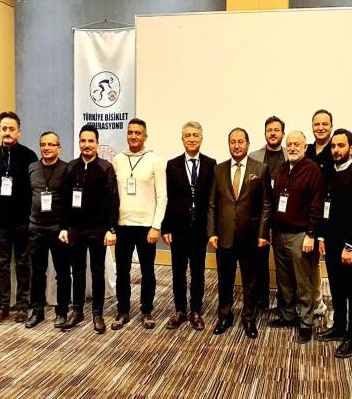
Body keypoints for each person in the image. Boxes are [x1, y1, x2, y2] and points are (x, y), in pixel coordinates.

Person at [207, 127, 271, 339]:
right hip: (224, 236)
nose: (236, 145)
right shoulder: (219, 169)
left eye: (240, 141)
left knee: (250, 281)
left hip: (250, 236)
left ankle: (249, 318)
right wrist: (211, 232)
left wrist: (263, 234)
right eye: (232, 142)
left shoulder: (260, 169)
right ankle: (224, 316)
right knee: (224, 279)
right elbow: (212, 205)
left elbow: (266, 204)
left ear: (248, 144)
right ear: (229, 144)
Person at [0, 111, 38, 325]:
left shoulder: (29, 156)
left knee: (23, 263)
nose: (7, 132)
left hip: (23, 221)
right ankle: (2, 306)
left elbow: (35, 191)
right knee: (2, 265)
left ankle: (22, 305)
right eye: (4, 129)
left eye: (12, 129)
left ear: (19, 132)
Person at [58, 124, 119, 334]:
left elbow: (113, 200)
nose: (87, 145)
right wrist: (64, 227)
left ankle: (97, 313)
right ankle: (77, 311)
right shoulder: (70, 168)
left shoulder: (105, 168)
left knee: (97, 271)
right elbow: (64, 200)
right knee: (77, 272)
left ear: (97, 144)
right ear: (79, 143)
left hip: (98, 230)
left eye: (91, 141)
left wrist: (111, 229)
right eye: (83, 141)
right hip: (75, 229)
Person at [316, 129, 352, 359]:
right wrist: (321, 237)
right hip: (330, 242)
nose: (336, 150)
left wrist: (350, 247)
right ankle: (338, 327)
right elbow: (324, 207)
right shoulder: (329, 173)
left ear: (351, 148)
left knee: (351, 290)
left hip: (349, 246)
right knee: (336, 287)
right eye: (333, 146)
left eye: (341, 146)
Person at [111, 118, 167, 331]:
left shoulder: (155, 160)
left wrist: (156, 226)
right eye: (130, 132)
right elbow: (113, 195)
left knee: (147, 271)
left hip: (146, 227)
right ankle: (122, 310)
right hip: (123, 224)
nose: (133, 136)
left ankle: (146, 310)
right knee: (122, 271)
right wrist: (112, 226)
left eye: (138, 133)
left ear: (145, 136)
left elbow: (162, 196)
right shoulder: (118, 159)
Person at [267, 131, 323, 344]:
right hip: (279, 234)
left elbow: (316, 205)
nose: (292, 147)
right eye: (289, 144)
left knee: (303, 281)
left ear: (305, 147)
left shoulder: (312, 170)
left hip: (301, 235)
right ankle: (288, 315)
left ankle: (306, 322)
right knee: (284, 280)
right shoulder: (281, 168)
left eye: (296, 144)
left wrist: (311, 234)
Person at [161, 121, 216, 330]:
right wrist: (166, 227)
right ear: (182, 139)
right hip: (178, 228)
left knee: (198, 271)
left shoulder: (211, 164)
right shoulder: (172, 164)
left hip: (200, 229)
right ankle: (180, 310)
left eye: (195, 135)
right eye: (188, 136)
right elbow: (168, 198)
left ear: (201, 138)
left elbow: (212, 200)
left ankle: (196, 310)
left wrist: (212, 229)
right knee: (178, 271)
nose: (191, 139)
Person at [26, 131, 70, 329]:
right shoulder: (32, 168)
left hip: (58, 229)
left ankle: (62, 311)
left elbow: (70, 202)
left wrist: (66, 227)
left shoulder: (67, 169)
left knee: (62, 273)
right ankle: (37, 310)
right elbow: (27, 197)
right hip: (36, 228)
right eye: (43, 144)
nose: (46, 148)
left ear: (59, 148)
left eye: (51, 144)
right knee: (37, 272)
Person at [249, 116, 287, 309]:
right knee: (259, 261)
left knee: (284, 262)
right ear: (265, 133)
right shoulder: (254, 156)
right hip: (260, 217)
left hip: (284, 217)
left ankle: (285, 302)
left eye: (276, 130)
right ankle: (261, 299)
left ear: (283, 133)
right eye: (269, 130)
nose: (273, 133)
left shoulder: (291, 154)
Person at [306, 109, 334, 317]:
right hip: (309, 216)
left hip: (331, 216)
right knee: (311, 262)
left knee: (333, 264)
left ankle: (336, 306)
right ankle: (316, 302)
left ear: (331, 126)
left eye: (325, 124)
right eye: (317, 124)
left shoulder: (336, 150)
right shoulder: (307, 150)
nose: (321, 128)